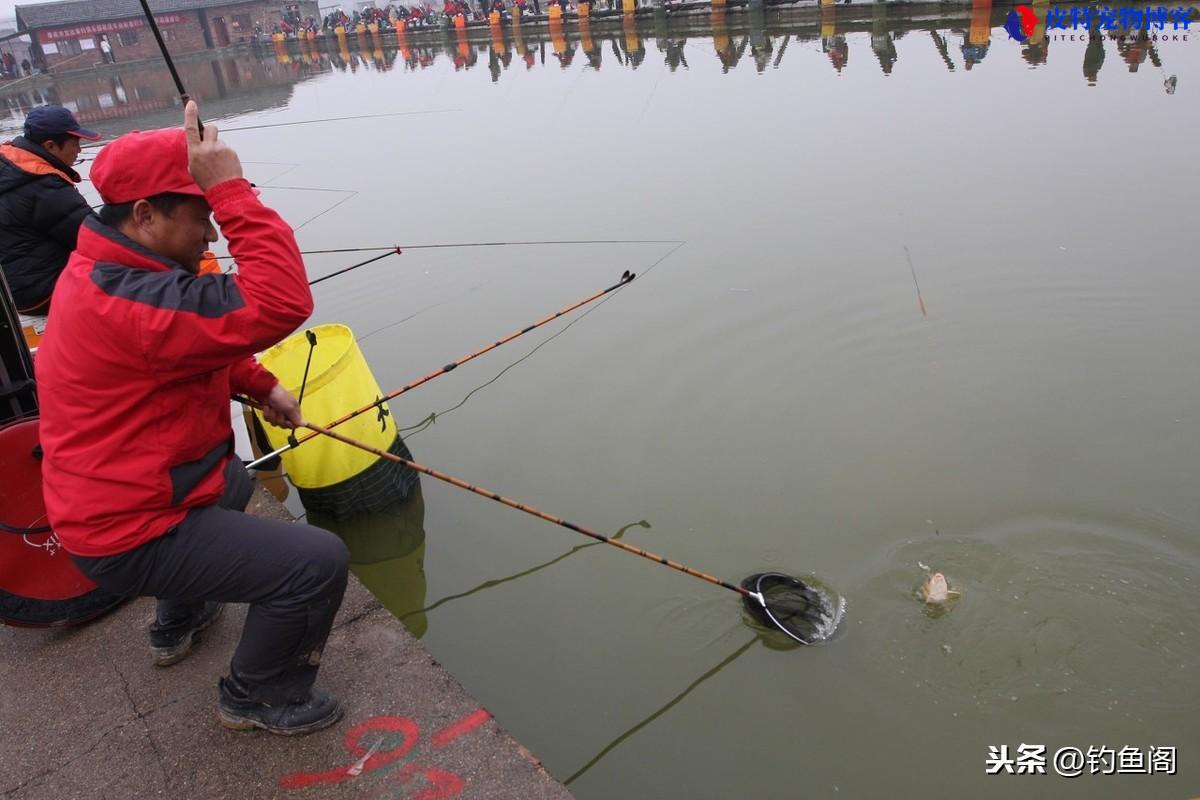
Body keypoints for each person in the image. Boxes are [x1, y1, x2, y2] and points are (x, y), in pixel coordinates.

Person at [35, 102, 350, 736]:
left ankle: (179, 620)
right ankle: (258, 695)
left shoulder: (112, 272)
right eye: (201, 216)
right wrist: (230, 189)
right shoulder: (129, 298)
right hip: (128, 527)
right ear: (144, 214)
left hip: (121, 497)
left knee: (231, 480)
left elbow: (188, 345)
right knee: (315, 564)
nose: (212, 236)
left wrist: (260, 384)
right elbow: (282, 299)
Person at [0, 105, 100, 315]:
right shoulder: (44, 187)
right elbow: (97, 240)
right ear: (51, 146)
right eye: (75, 144)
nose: (79, 151)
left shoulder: (10, 167)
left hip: (10, 287)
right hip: (39, 291)